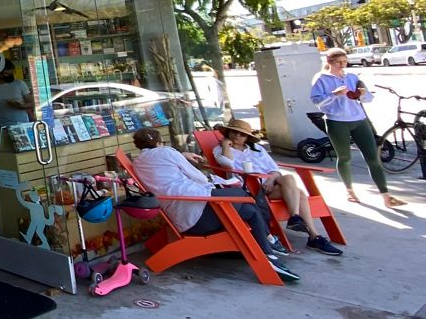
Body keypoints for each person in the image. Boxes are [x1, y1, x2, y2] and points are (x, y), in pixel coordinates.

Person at [130, 128, 301, 282]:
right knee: (243, 195)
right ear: (160, 142)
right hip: (198, 213)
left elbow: (162, 168)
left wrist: (181, 156)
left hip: (183, 213)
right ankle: (269, 243)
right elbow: (200, 178)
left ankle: (268, 253)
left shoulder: (138, 163)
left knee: (249, 209)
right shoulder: (166, 152)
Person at [213, 118, 342, 256]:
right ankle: (311, 235)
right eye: (234, 132)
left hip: (269, 185)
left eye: (242, 134)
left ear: (247, 138)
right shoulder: (219, 149)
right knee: (300, 194)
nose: (237, 136)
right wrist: (226, 146)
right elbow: (227, 164)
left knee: (289, 179)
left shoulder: (257, 149)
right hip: (250, 189)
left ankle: (299, 222)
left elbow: (274, 170)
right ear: (228, 132)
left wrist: (270, 181)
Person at [309, 47, 406, 208]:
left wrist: (363, 94)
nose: (342, 65)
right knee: (345, 157)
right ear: (330, 62)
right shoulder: (321, 79)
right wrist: (334, 94)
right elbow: (316, 101)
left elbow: (368, 99)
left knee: (373, 157)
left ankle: (386, 195)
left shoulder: (352, 77)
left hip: (359, 119)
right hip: (337, 121)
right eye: (339, 62)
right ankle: (350, 190)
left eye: (345, 62)